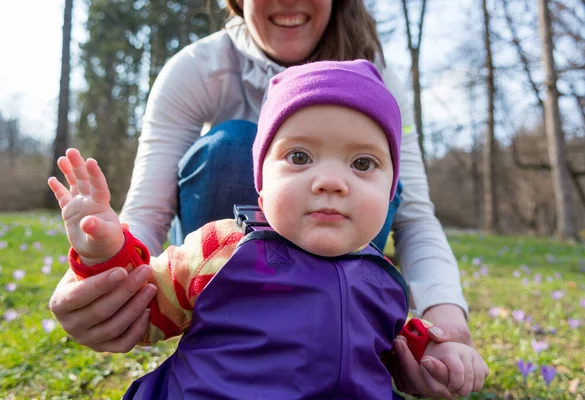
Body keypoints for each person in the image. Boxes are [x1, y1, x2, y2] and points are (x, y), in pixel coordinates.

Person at [48, 1, 473, 397]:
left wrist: (444, 333)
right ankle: (227, 324)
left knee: (378, 210)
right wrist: (104, 267)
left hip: (351, 260)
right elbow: (147, 211)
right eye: (301, 156)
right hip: (234, 254)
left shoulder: (380, 78)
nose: (330, 182)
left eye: (360, 163)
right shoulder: (199, 67)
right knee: (232, 145)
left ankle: (346, 328)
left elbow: (415, 215)